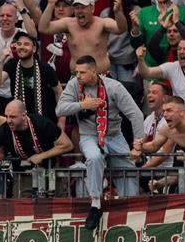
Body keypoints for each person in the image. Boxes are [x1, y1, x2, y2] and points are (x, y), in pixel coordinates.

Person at [55, 55, 143, 231]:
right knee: (94, 157)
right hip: (89, 135)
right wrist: (82, 105)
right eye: (76, 72)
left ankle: (133, 208)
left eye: (82, 72)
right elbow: (60, 109)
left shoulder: (114, 87)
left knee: (128, 170)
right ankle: (95, 205)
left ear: (94, 72)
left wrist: (138, 143)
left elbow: (136, 114)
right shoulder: (73, 85)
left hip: (114, 134)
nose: (78, 75)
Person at [0, 100, 73, 196]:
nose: (8, 121)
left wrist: (41, 156)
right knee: (20, 204)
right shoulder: (5, 129)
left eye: (13, 117)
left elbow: (68, 145)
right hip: (23, 174)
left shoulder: (42, 123)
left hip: (49, 170)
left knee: (59, 202)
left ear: (24, 115)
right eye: (6, 116)